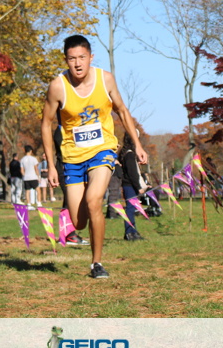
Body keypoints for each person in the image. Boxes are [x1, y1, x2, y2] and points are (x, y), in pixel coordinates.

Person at [41, 35, 147, 279]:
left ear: (91, 57)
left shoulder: (105, 79)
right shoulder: (58, 86)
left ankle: (96, 263)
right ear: (65, 60)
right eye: (72, 59)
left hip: (103, 150)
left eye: (82, 57)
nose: (77, 63)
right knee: (79, 222)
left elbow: (122, 110)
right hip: (72, 156)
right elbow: (46, 124)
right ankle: (89, 220)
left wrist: (138, 144)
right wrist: (51, 165)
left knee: (94, 200)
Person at [117, 134, 145, 241]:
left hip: (129, 185)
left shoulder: (127, 154)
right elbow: (132, 174)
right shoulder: (129, 155)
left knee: (132, 208)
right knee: (130, 208)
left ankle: (133, 231)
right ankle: (129, 233)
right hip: (129, 185)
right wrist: (138, 187)